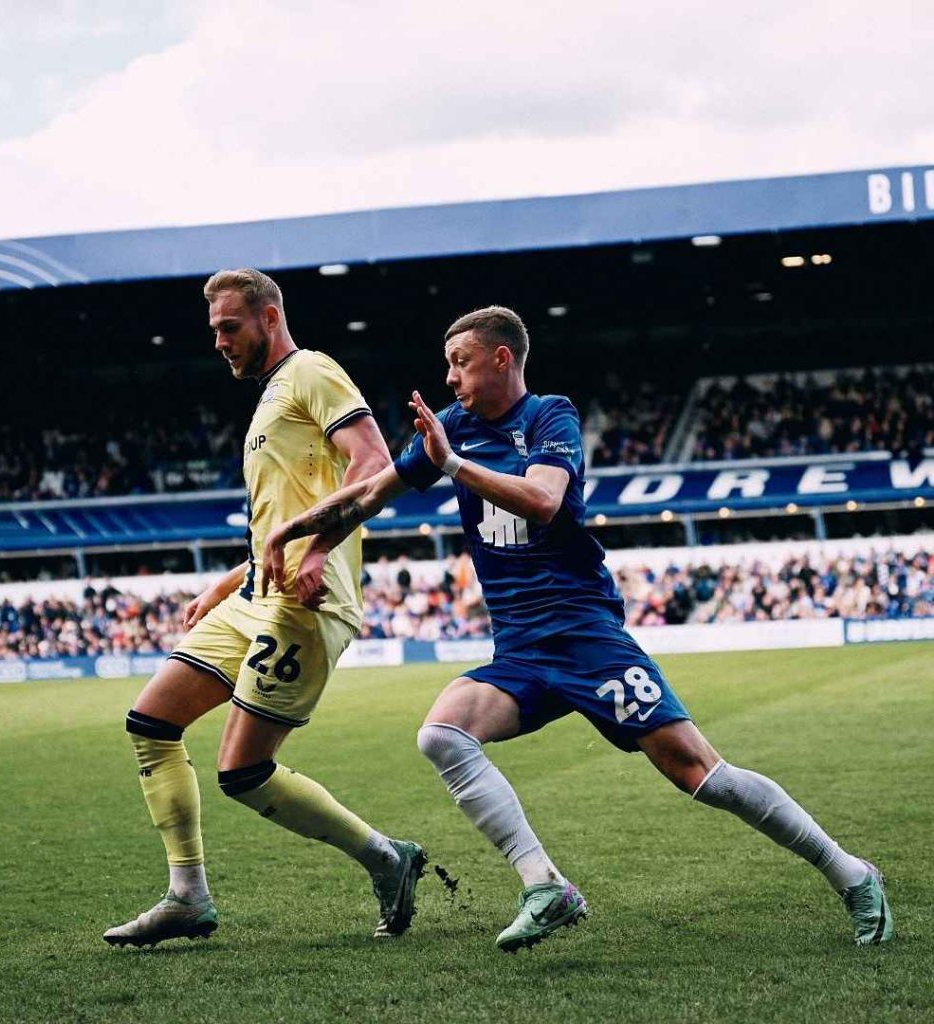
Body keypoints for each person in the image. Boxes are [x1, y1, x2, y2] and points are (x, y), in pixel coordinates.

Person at [260, 305, 893, 952]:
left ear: (502, 358)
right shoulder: (453, 427)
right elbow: (369, 493)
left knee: (699, 772)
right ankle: (546, 886)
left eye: (461, 363)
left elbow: (543, 501)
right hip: (520, 650)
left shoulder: (548, 417)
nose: (449, 378)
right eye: (447, 365)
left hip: (584, 636)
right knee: (442, 735)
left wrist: (452, 466)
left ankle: (852, 872)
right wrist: (300, 534)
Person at [103, 269, 426, 948]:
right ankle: (187, 896)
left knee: (242, 772)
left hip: (306, 604)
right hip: (255, 597)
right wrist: (224, 586)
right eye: (214, 329)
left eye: (230, 327)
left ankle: (386, 858)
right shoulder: (271, 397)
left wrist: (319, 548)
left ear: (269, 317)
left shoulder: (310, 370)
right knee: (151, 723)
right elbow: (277, 524)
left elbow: (375, 463)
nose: (220, 341)